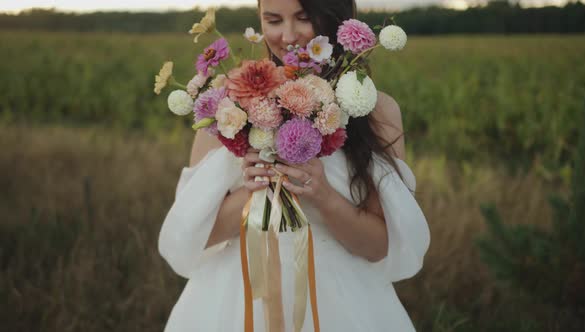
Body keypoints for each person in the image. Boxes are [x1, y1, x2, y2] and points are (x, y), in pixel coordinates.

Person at [158, 0, 430, 330]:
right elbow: (197, 234)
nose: (288, 36)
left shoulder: (378, 112)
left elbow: (378, 247)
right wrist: (255, 189)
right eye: (273, 20)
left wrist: (324, 195)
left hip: (343, 302)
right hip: (236, 296)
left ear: (337, 18)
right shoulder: (226, 104)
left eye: (304, 18)